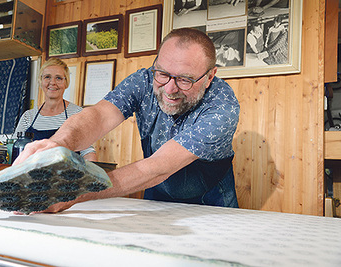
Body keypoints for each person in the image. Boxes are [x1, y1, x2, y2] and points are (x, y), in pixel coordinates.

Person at [14, 28, 240, 213]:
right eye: (162, 73)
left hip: (212, 198)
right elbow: (100, 115)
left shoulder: (222, 107)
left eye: (185, 79)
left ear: (210, 76)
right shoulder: (142, 81)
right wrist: (58, 143)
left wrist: (73, 193)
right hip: (156, 190)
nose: (170, 89)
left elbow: (159, 166)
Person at [13, 58, 97, 161]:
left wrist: (91, 176)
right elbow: (13, 149)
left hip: (68, 175)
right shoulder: (28, 117)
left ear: (66, 83)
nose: (52, 82)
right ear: (41, 81)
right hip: (34, 175)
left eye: (58, 78)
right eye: (47, 77)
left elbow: (88, 153)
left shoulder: (77, 113)